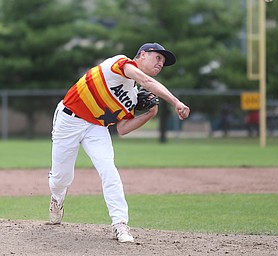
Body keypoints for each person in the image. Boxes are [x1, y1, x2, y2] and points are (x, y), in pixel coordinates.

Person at [48, 42, 190, 243]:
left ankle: (120, 224)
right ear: (142, 54)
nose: (160, 63)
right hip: (69, 120)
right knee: (61, 177)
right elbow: (146, 81)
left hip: (96, 127)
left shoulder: (131, 98)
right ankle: (57, 197)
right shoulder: (120, 63)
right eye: (158, 57)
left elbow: (123, 129)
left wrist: (150, 113)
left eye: (163, 62)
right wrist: (176, 102)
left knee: (109, 170)